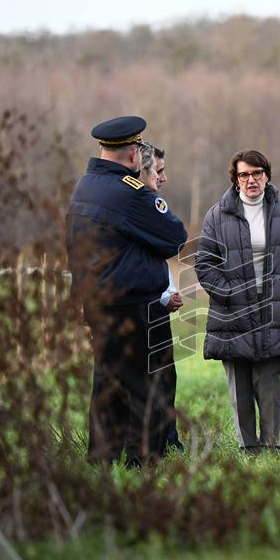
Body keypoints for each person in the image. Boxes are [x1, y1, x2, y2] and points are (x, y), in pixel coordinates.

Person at [65, 116, 188, 465]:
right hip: (135, 305)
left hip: (99, 304)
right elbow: (173, 236)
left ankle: (102, 457)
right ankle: (143, 460)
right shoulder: (128, 192)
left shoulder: (85, 186)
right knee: (145, 385)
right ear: (134, 155)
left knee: (107, 382)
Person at [195, 150, 280, 452]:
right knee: (240, 384)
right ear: (235, 180)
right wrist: (230, 294)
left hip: (273, 308)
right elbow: (204, 264)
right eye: (244, 174)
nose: (251, 180)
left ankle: (271, 445)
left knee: (269, 381)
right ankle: (249, 447)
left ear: (267, 176)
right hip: (232, 311)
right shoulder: (216, 216)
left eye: (257, 173)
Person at [137, 140, 185, 452]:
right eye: (159, 171)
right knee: (149, 380)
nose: (163, 178)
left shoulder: (147, 203)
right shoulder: (138, 204)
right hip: (140, 309)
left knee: (166, 378)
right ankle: (152, 444)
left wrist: (167, 293)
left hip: (158, 307)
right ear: (141, 169)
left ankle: (168, 441)